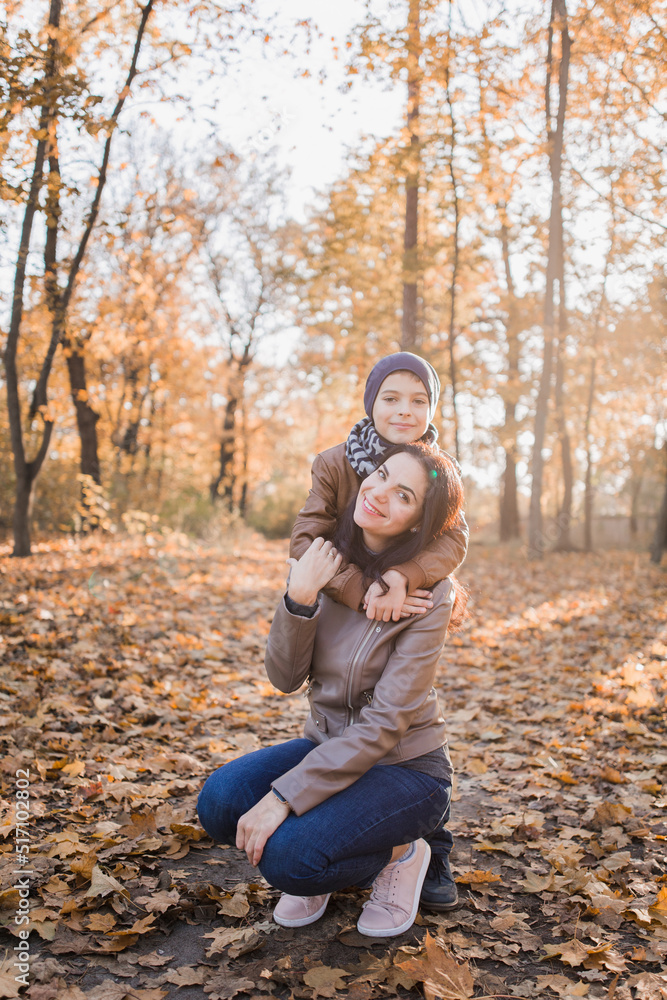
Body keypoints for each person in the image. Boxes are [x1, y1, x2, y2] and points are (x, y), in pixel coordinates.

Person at [197, 442, 467, 937]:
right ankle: (332, 839)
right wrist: (298, 597)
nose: (380, 493)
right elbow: (284, 678)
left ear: (417, 524)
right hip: (326, 745)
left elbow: (386, 724)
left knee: (289, 863)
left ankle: (404, 854)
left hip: (405, 769)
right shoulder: (326, 562)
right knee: (219, 802)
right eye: (381, 475)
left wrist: (283, 797)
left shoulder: (431, 595)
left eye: (403, 495)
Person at [289, 351, 468, 911]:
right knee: (344, 696)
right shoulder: (336, 462)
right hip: (350, 598)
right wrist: (357, 587)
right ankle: (351, 814)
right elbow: (305, 539)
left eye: (419, 400)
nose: (404, 410)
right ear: (371, 403)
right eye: (391, 397)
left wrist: (401, 575)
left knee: (406, 703)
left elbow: (454, 540)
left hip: (404, 599)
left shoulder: (438, 467)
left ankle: (429, 843)